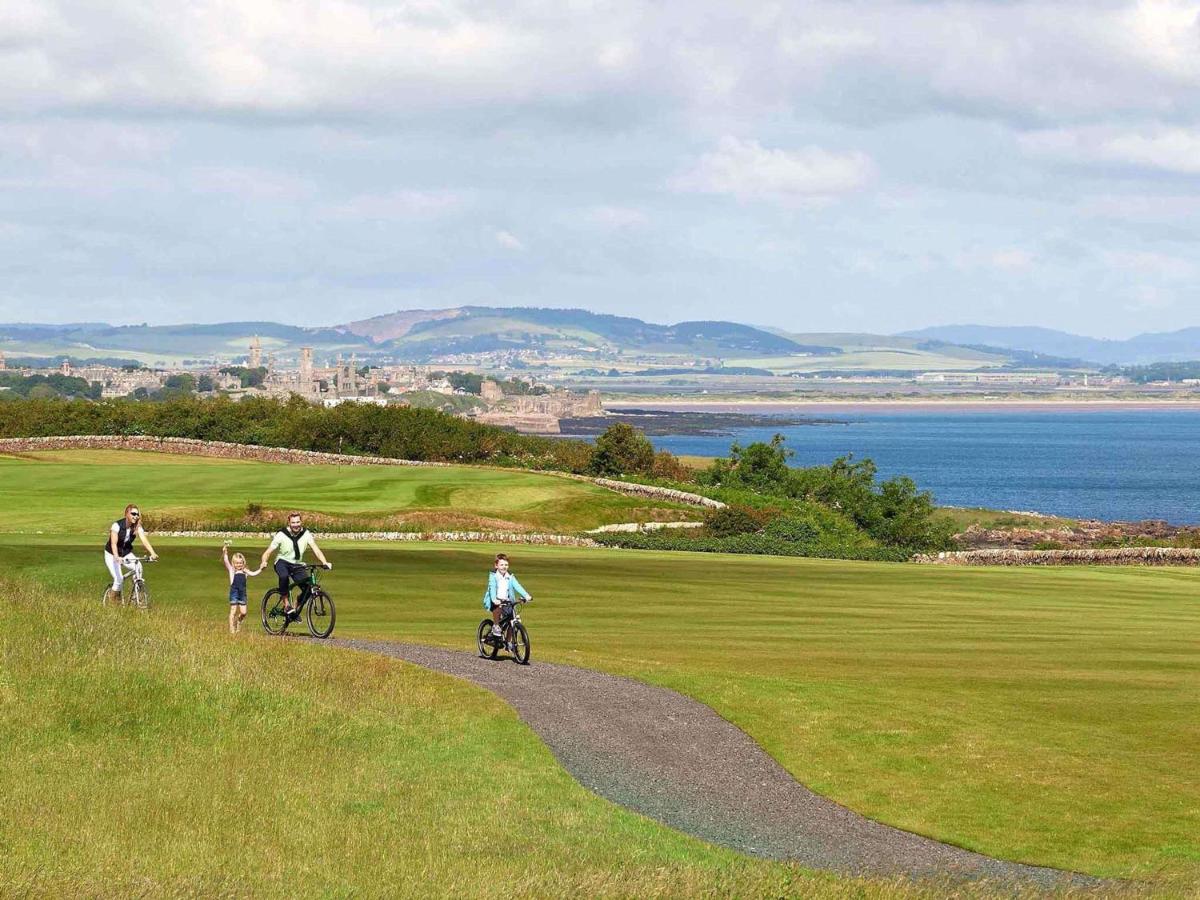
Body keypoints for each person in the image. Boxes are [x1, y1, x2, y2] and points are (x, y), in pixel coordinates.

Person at [259, 512, 330, 621]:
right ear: (289, 523)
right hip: (282, 562)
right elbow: (268, 552)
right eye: (293, 523)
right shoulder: (282, 534)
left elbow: (316, 549)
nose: (296, 525)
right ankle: (286, 605)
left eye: (297, 522)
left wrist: (325, 562)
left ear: (301, 522)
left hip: (297, 565)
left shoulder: (306, 534)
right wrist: (264, 562)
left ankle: (295, 610)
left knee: (308, 589)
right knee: (284, 577)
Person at [103, 504, 158, 603]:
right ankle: (112, 603)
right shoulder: (117, 526)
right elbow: (113, 543)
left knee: (139, 567)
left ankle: (135, 596)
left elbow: (144, 540)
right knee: (118, 579)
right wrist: (116, 557)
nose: (135, 516)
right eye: (133, 514)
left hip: (125, 553)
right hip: (112, 554)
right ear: (126, 514)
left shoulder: (137, 527)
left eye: (137, 514)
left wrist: (153, 553)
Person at [481, 553, 531, 638]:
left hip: (507, 601)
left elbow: (517, 586)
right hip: (495, 600)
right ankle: (496, 625)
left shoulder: (510, 576)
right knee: (497, 607)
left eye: (506, 565)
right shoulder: (493, 576)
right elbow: (492, 587)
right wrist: (494, 599)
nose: (504, 567)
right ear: (496, 566)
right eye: (501, 565)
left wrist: (526, 595)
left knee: (513, 620)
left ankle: (508, 642)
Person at [222, 543, 263, 634]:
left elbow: (253, 573)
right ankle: (232, 630)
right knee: (233, 610)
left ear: (243, 562)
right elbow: (226, 561)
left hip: (242, 594)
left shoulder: (245, 571)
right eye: (237, 563)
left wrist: (261, 569)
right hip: (234, 593)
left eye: (240, 563)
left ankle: (238, 622)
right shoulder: (232, 570)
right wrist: (225, 552)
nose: (239, 565)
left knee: (244, 612)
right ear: (234, 563)